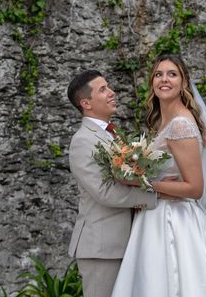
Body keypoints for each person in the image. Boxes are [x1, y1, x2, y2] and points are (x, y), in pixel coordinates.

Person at [111, 54, 206, 297]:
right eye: (158, 74)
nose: (164, 79)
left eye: (172, 74)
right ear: (152, 82)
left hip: (175, 221)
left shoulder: (180, 124)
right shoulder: (162, 122)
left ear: (183, 83)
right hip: (154, 217)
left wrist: (146, 183)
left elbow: (195, 188)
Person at [67, 69, 158, 297]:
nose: (112, 92)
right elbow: (105, 192)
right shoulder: (83, 141)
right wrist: (155, 196)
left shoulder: (113, 135)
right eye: (103, 89)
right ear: (86, 103)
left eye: (108, 87)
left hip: (123, 241)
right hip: (102, 248)